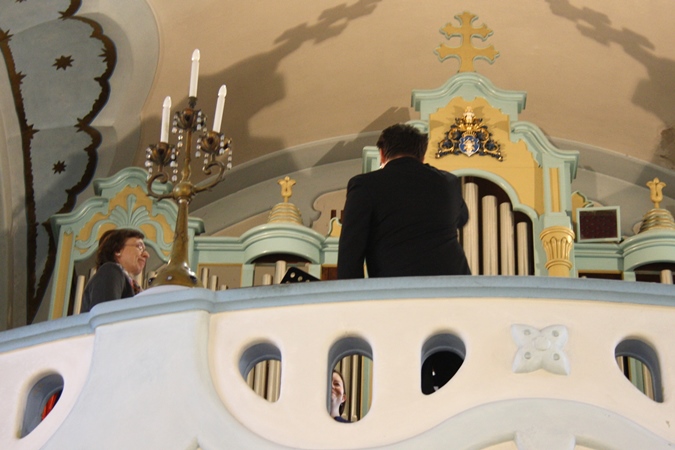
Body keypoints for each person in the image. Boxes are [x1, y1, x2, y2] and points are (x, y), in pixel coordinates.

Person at [337, 123, 471, 279]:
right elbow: (462, 218)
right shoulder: (449, 182)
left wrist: (353, 292)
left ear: (382, 154)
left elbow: (350, 250)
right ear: (422, 156)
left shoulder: (365, 185)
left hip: (397, 284)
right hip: (454, 284)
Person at [80, 228, 149, 313]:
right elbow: (105, 315)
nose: (146, 255)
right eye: (140, 247)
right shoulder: (110, 271)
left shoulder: (131, 285)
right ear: (118, 250)